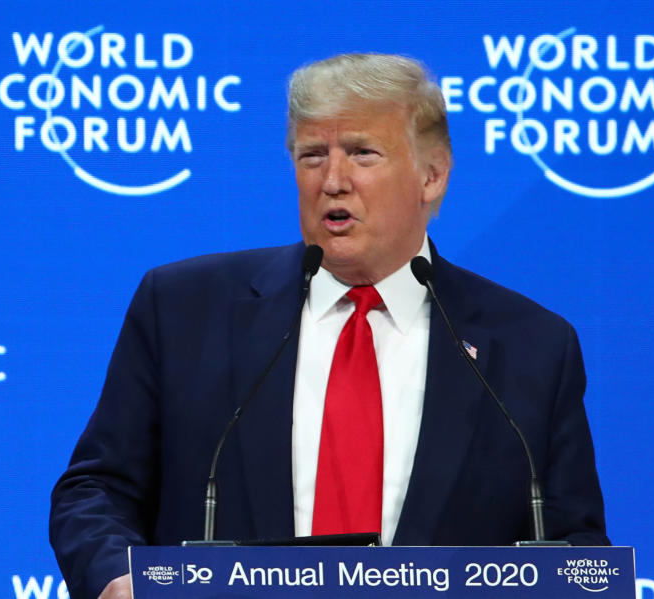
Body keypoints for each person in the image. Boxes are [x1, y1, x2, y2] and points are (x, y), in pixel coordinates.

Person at [50, 53, 608, 599]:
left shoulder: (530, 345)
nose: (333, 180)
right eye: (312, 155)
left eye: (363, 153)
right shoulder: (183, 310)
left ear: (432, 175)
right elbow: (97, 489)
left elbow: (573, 544)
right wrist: (115, 578)